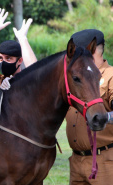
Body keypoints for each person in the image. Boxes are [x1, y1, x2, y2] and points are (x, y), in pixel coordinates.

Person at [65, 29, 113, 184]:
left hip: (104, 161)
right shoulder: (75, 75)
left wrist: (107, 117)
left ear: (93, 50)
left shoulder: (110, 75)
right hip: (76, 161)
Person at [0, 18, 37, 91]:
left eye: (8, 58)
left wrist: (22, 39)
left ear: (20, 60)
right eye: (1, 58)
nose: (3, 62)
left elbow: (36, 71)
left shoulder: (26, 80)